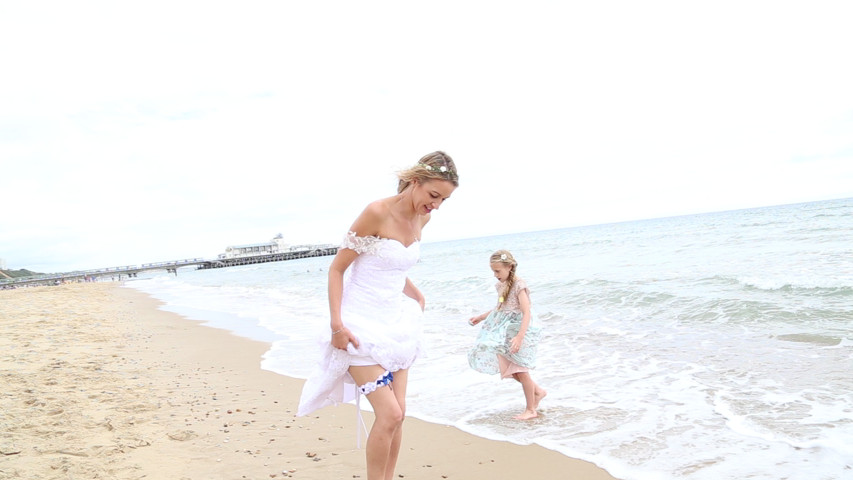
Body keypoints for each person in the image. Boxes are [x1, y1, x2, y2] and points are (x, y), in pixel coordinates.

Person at [297, 151, 458, 480]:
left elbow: (393, 264)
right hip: (359, 326)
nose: (436, 206)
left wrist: (415, 294)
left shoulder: (422, 218)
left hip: (397, 324)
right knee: (389, 414)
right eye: (433, 196)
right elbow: (337, 269)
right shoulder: (376, 212)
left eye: (444, 200)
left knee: (400, 415)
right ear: (415, 183)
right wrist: (336, 326)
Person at [467, 249, 546, 420]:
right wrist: (481, 317)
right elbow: (499, 308)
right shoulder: (501, 285)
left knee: (521, 370)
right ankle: (537, 392)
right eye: (493, 271)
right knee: (513, 369)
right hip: (505, 331)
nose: (495, 275)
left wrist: (520, 336)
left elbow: (527, 312)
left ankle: (531, 409)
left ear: (509, 267)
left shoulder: (519, 285)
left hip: (519, 329)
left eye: (497, 271)